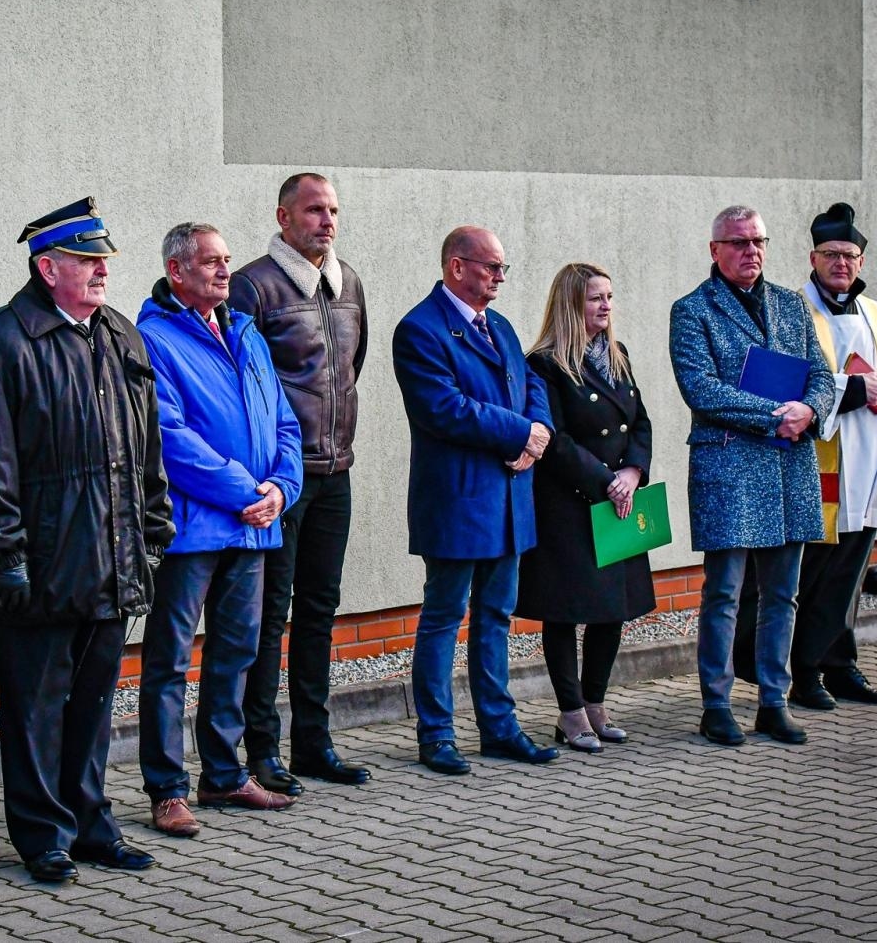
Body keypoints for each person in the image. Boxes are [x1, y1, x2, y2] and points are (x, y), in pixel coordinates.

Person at [0, 198, 174, 884]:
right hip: (39, 566)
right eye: (86, 259)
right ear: (47, 267)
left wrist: (153, 538)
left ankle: (91, 825)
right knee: (37, 711)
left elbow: (147, 453)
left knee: (94, 709)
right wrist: (3, 557)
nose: (103, 270)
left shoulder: (122, 337)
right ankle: (43, 835)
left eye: (103, 259)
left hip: (114, 562)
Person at [136, 222, 304, 836]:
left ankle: (224, 776)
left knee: (236, 653)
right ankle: (166, 788)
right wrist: (243, 492)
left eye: (227, 260)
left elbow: (285, 421)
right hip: (193, 530)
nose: (224, 270)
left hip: (256, 525)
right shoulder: (152, 339)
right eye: (209, 262)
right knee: (169, 662)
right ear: (177, 271)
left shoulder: (246, 332)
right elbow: (169, 437)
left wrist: (282, 489)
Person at [391, 225, 557, 776]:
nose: (501, 278)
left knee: (496, 616)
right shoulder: (419, 330)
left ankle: (499, 727)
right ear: (457, 267)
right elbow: (444, 408)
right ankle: (436, 735)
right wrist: (519, 435)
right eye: (492, 267)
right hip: (458, 500)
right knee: (444, 616)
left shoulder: (501, 326)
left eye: (503, 268)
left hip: (509, 497)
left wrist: (538, 435)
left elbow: (533, 385)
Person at [668, 206, 835, 747]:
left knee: (783, 594)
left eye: (759, 240)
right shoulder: (693, 310)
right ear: (714, 249)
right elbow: (701, 388)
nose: (751, 251)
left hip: (789, 464)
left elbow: (823, 376)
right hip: (732, 466)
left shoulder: (791, 304)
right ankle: (716, 704)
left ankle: (773, 701)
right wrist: (776, 415)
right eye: (738, 242)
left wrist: (808, 410)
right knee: (725, 594)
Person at [231, 173, 372, 794]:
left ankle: (314, 743)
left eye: (334, 210)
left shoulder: (350, 286)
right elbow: (243, 385)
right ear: (284, 217)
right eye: (315, 210)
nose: (327, 221)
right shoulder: (253, 285)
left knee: (319, 612)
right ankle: (260, 748)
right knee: (270, 616)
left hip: (335, 472)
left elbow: (350, 368)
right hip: (280, 482)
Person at [782, 204, 877, 708]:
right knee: (816, 570)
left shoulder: (876, 313)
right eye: (831, 254)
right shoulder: (792, 309)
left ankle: (841, 665)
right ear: (812, 258)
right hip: (821, 461)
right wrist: (858, 388)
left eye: (850, 255)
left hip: (871, 458)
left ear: (861, 261)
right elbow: (793, 381)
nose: (841, 263)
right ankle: (805, 672)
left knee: (853, 568)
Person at [516, 264, 655, 753]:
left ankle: (596, 703)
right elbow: (556, 440)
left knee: (611, 610)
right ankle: (570, 712)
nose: (606, 306)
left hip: (618, 499)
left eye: (610, 297)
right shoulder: (545, 364)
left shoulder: (619, 356)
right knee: (565, 611)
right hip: (571, 504)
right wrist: (605, 481)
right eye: (596, 298)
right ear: (571, 304)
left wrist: (633, 473)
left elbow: (640, 423)